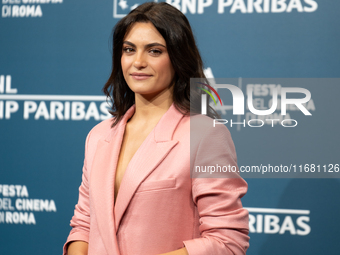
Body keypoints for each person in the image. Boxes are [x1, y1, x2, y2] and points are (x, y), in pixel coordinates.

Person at [63, 2, 249, 255]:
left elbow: (227, 241)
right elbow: (84, 224)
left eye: (154, 51)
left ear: (177, 57)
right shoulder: (99, 135)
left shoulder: (205, 135)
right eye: (129, 49)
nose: (138, 62)